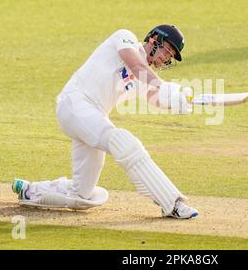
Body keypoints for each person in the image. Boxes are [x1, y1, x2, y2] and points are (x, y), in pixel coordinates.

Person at [12, 25, 199, 219]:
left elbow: (156, 99)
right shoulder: (125, 38)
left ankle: (30, 190)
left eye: (171, 55)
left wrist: (178, 101)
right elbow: (137, 66)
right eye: (167, 50)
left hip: (92, 118)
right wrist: (164, 86)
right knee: (125, 143)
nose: (167, 57)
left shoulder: (144, 77)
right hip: (75, 103)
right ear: (154, 39)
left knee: (82, 196)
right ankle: (172, 203)